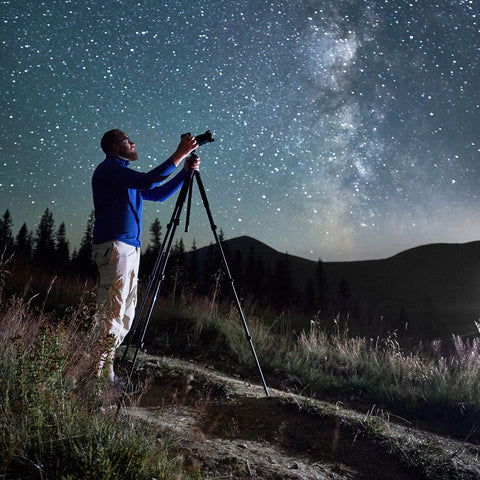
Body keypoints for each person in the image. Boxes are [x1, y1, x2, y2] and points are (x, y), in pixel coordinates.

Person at [91, 129, 199, 383]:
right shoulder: (108, 170)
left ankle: (107, 373)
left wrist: (185, 174)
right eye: (127, 140)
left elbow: (157, 194)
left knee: (124, 314)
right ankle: (97, 378)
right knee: (112, 313)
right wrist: (179, 153)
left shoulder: (124, 177)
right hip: (116, 248)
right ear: (115, 147)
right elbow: (148, 181)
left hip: (128, 249)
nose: (133, 142)